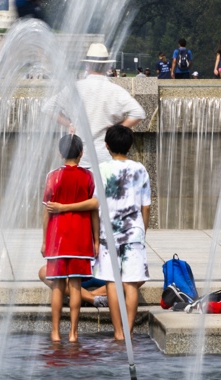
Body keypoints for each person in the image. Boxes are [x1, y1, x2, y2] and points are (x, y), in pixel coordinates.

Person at [92, 124, 151, 341]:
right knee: (131, 283)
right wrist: (142, 231)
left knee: (112, 283)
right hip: (134, 231)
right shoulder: (140, 170)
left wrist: (95, 236)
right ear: (130, 146)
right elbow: (146, 206)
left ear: (106, 146)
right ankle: (129, 332)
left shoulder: (100, 170)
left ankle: (118, 332)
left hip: (108, 233)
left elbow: (95, 206)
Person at [47, 43, 146, 169]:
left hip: (81, 156)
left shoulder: (76, 88)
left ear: (88, 65)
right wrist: (117, 129)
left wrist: (69, 124)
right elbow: (138, 113)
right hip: (106, 157)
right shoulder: (115, 90)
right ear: (106, 66)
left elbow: (49, 107)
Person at [42, 135, 99, 343]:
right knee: (75, 286)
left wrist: (44, 240)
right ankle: (74, 333)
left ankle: (55, 332)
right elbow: (94, 210)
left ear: (59, 153)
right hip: (80, 239)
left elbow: (47, 212)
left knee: (57, 286)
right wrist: (96, 239)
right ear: (81, 153)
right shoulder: (89, 176)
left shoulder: (53, 176)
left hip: (57, 239)